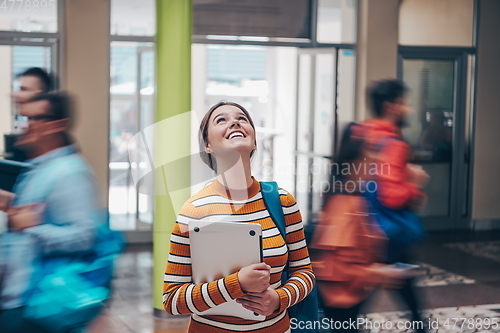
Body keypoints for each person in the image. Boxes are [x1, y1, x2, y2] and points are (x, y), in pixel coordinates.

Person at [163, 101, 315, 333]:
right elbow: (173, 299)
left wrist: (279, 299)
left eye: (242, 118)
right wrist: (236, 284)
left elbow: (304, 273)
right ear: (208, 145)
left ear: (254, 141)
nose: (234, 122)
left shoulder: (282, 202)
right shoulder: (194, 211)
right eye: (221, 120)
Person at [0, 92, 101, 332]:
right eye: (23, 117)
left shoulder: (69, 172)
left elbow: (85, 236)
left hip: (38, 306)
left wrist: (31, 227)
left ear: (57, 125)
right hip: (19, 300)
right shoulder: (39, 167)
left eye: (34, 118)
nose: (25, 125)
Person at [310, 122, 404, 333]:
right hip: (342, 301)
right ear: (354, 161)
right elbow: (336, 267)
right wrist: (378, 273)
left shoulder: (353, 197)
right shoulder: (344, 204)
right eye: (371, 151)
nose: (377, 159)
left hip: (350, 300)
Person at [364, 79, 429, 332]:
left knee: (398, 283)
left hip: (363, 226)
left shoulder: (364, 134)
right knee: (398, 280)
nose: (409, 110)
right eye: (405, 104)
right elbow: (391, 195)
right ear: (391, 106)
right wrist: (415, 184)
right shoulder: (394, 143)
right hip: (388, 231)